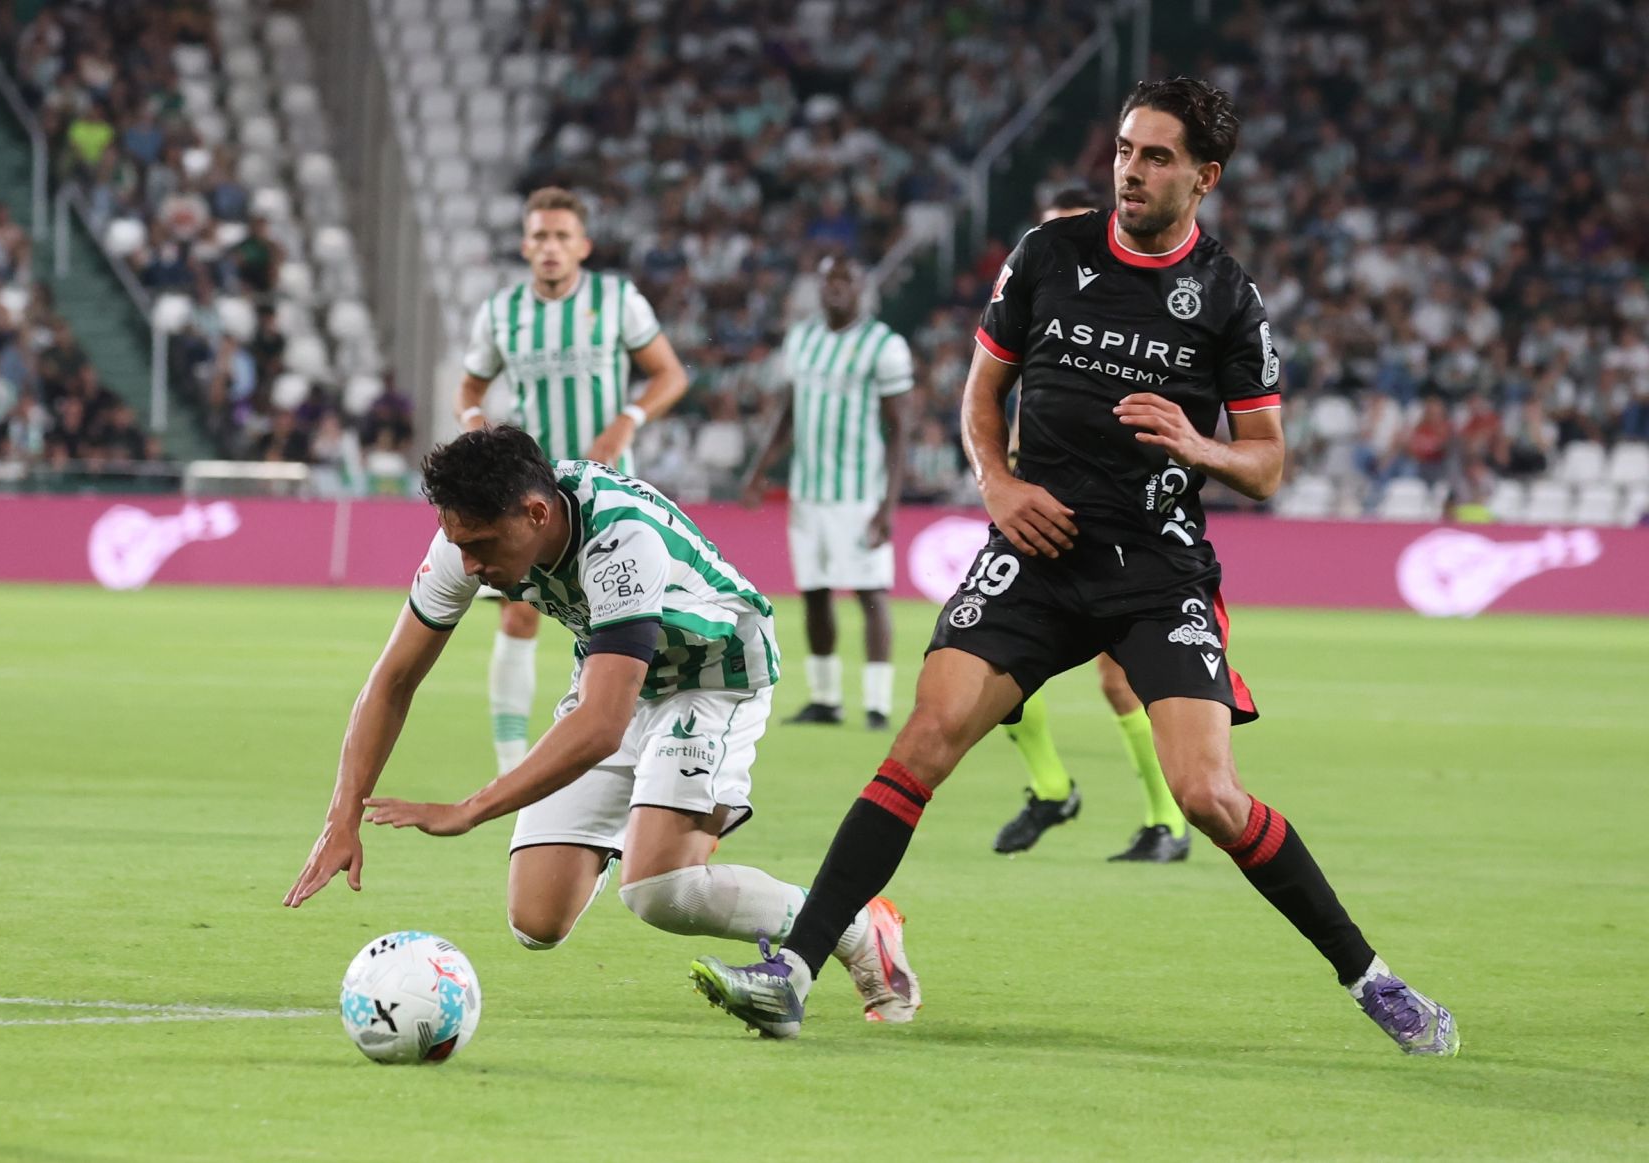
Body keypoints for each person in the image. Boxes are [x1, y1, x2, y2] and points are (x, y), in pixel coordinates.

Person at [688, 78, 1458, 1055]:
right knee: (924, 736)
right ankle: (791, 969)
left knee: (1209, 795)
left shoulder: (1227, 296)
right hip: (1036, 550)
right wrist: (997, 483)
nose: (1130, 171)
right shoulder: (1051, 251)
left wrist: (1197, 442)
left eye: (1157, 157)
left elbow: (1266, 463)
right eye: (1126, 150)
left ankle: (1373, 979)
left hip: (1157, 569)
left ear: (1205, 177)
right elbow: (982, 391)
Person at [283, 426, 918, 1023]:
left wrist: (471, 809)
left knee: (660, 891)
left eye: (480, 547)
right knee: (537, 921)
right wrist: (341, 817)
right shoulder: (466, 538)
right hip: (613, 677)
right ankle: (662, 818)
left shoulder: (619, 537)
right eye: (458, 545)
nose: (470, 565)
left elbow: (601, 726)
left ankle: (856, 925)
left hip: (712, 675)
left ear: (535, 515)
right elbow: (392, 680)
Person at [457, 187, 689, 775]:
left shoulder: (617, 300)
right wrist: (478, 435)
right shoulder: (501, 313)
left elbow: (669, 375)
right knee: (519, 613)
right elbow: (469, 389)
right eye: (540, 236)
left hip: (609, 499)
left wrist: (626, 422)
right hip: (528, 499)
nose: (550, 247)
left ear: (583, 246)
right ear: (525, 245)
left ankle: (647, 755)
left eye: (562, 236)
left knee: (630, 624)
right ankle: (513, 766)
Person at [994, 188, 1190, 863]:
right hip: (1033, 500)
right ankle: (1052, 787)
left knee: (1118, 678)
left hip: (1115, 513)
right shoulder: (1033, 304)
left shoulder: (1131, 309)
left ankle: (1168, 821)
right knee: (989, 658)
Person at [741, 255, 913, 729]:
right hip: (808, 492)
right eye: (829, 279)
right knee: (814, 592)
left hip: (860, 493)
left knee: (870, 594)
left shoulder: (884, 345)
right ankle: (826, 699)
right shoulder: (803, 339)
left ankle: (876, 704)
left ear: (863, 288)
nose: (836, 287)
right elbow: (788, 413)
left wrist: (888, 505)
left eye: (847, 278)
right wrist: (760, 470)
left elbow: (900, 428)